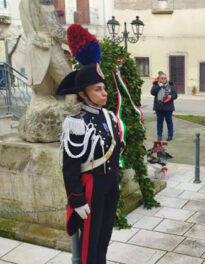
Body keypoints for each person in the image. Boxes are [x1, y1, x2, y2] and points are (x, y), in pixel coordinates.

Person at [56, 24, 121, 264]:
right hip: (90, 185)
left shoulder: (109, 116)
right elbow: (70, 167)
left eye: (104, 88)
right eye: (97, 89)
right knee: (89, 242)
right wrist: (76, 198)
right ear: (83, 94)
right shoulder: (76, 123)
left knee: (104, 237)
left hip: (109, 183)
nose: (104, 93)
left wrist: (115, 181)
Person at [151, 72, 178, 141]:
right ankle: (159, 135)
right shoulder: (156, 85)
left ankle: (170, 135)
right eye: (162, 78)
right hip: (159, 107)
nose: (163, 79)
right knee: (159, 122)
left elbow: (175, 95)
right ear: (159, 79)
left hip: (168, 107)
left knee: (169, 122)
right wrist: (158, 86)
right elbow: (152, 92)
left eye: (165, 78)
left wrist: (171, 96)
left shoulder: (171, 85)